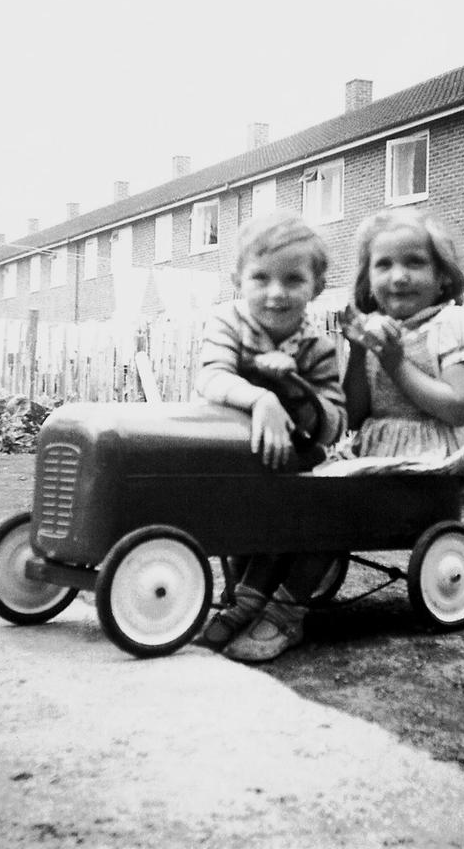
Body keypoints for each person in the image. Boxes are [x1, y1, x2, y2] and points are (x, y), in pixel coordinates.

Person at [193, 210, 347, 662]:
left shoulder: (318, 349)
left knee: (304, 506)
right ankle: (240, 601)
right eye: (261, 277)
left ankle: (273, 608)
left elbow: (333, 422)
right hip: (230, 452)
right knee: (239, 512)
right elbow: (212, 378)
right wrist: (261, 398)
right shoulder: (228, 324)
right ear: (239, 279)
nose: (276, 293)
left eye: (292, 280)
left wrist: (296, 389)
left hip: (290, 461)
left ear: (315, 287)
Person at [323, 206, 464, 489]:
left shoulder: (450, 322)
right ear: (367, 281)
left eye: (414, 262)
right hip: (378, 455)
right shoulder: (373, 331)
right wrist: (357, 352)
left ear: (443, 277)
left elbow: (457, 409)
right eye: (384, 264)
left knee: (422, 527)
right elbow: (354, 416)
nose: (399, 276)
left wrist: (395, 364)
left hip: (435, 461)